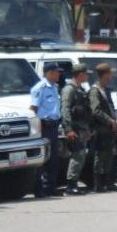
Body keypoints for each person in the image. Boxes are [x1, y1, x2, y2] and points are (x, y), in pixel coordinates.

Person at [29, 62, 63, 198]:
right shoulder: (40, 88)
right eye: (56, 72)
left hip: (54, 125)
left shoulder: (55, 87)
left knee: (53, 159)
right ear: (49, 73)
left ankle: (51, 187)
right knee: (42, 160)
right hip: (44, 126)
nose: (59, 74)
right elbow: (33, 109)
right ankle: (39, 189)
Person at [62, 63, 92, 195]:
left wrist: (88, 129)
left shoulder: (80, 89)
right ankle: (71, 185)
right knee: (77, 155)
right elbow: (65, 109)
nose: (87, 76)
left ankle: (74, 183)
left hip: (82, 128)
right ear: (80, 74)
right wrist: (68, 128)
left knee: (81, 156)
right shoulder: (69, 89)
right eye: (86, 73)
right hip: (75, 128)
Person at [89, 63, 117, 192]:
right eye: (110, 73)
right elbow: (95, 111)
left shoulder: (106, 89)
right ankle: (98, 184)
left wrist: (115, 122)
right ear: (105, 74)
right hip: (100, 129)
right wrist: (110, 121)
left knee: (109, 155)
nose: (111, 75)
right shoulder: (95, 91)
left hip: (109, 129)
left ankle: (108, 182)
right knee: (99, 156)